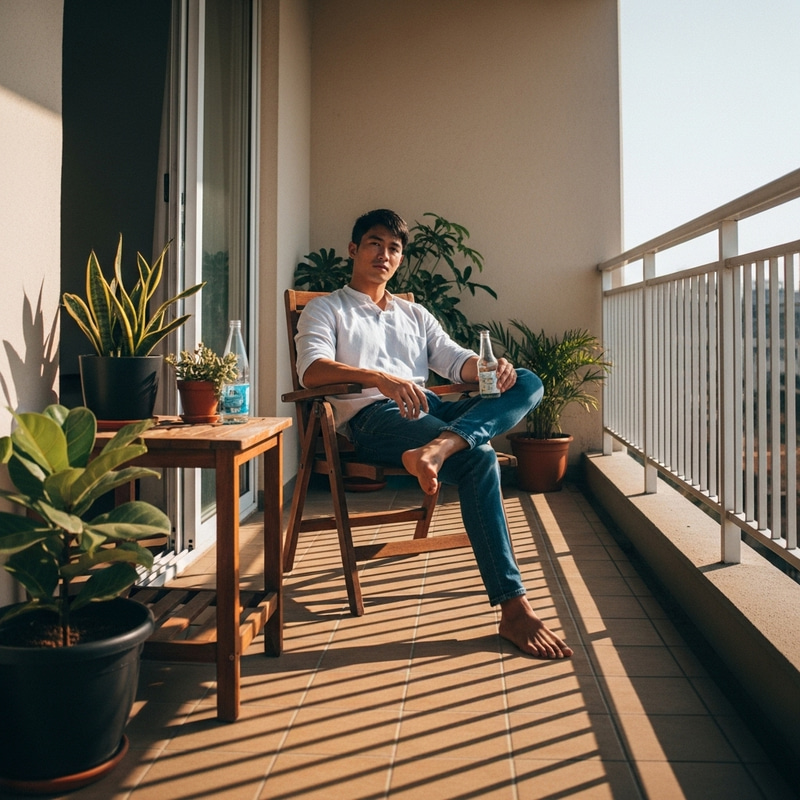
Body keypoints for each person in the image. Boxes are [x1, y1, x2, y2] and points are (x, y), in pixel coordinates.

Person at [294, 209, 573, 659]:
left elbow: (454, 360)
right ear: (353, 249)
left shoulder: (413, 313)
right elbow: (312, 371)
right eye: (374, 243)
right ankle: (513, 607)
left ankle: (441, 446)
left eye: (394, 248)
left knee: (527, 380)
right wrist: (380, 378)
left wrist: (489, 369)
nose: (384, 254)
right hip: (374, 416)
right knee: (480, 458)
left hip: (430, 411)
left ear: (400, 258)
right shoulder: (327, 308)